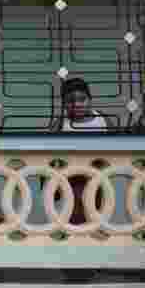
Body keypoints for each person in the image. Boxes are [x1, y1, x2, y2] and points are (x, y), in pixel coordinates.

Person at [51, 77, 106, 225]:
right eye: (70, 101)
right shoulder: (62, 123)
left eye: (82, 99)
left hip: (98, 175)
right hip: (72, 176)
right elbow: (49, 149)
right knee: (74, 209)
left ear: (90, 99)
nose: (77, 104)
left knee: (96, 211)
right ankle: (76, 237)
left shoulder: (102, 119)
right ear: (64, 104)